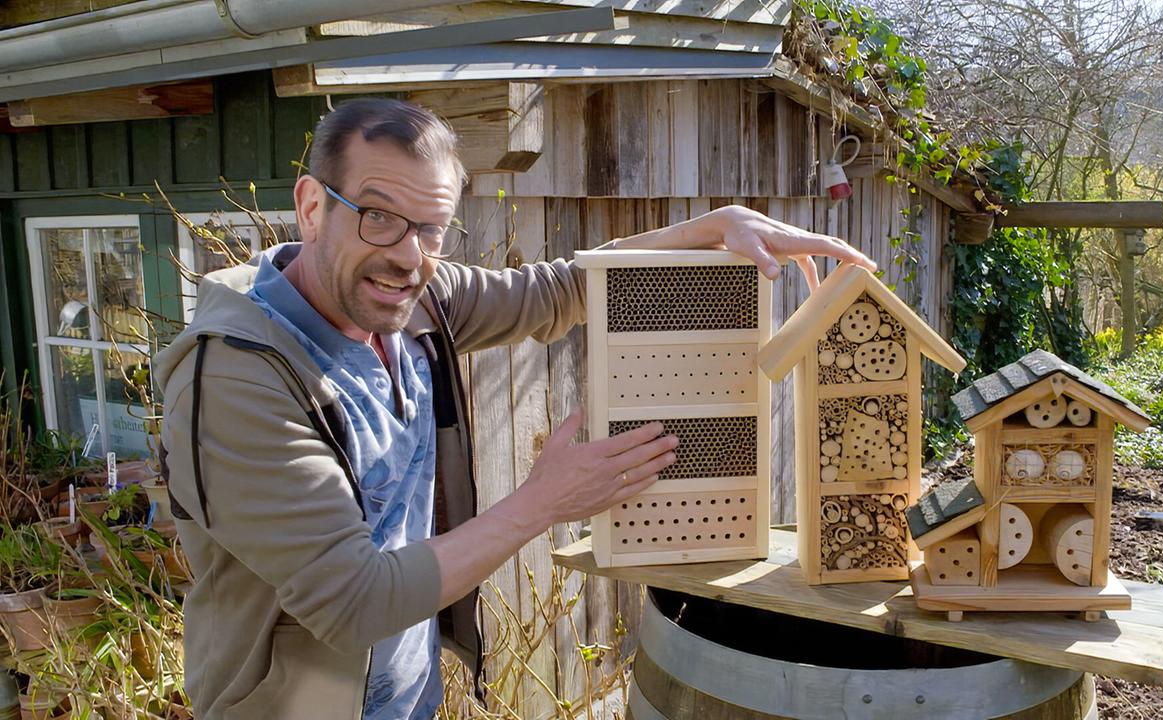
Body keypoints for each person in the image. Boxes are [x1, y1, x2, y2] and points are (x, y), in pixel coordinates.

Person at [154, 98, 876, 720]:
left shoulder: (416, 304)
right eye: (378, 217)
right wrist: (544, 501)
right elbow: (352, 602)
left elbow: (554, 290)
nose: (408, 255)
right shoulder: (238, 378)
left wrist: (711, 226)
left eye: (431, 227)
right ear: (312, 206)